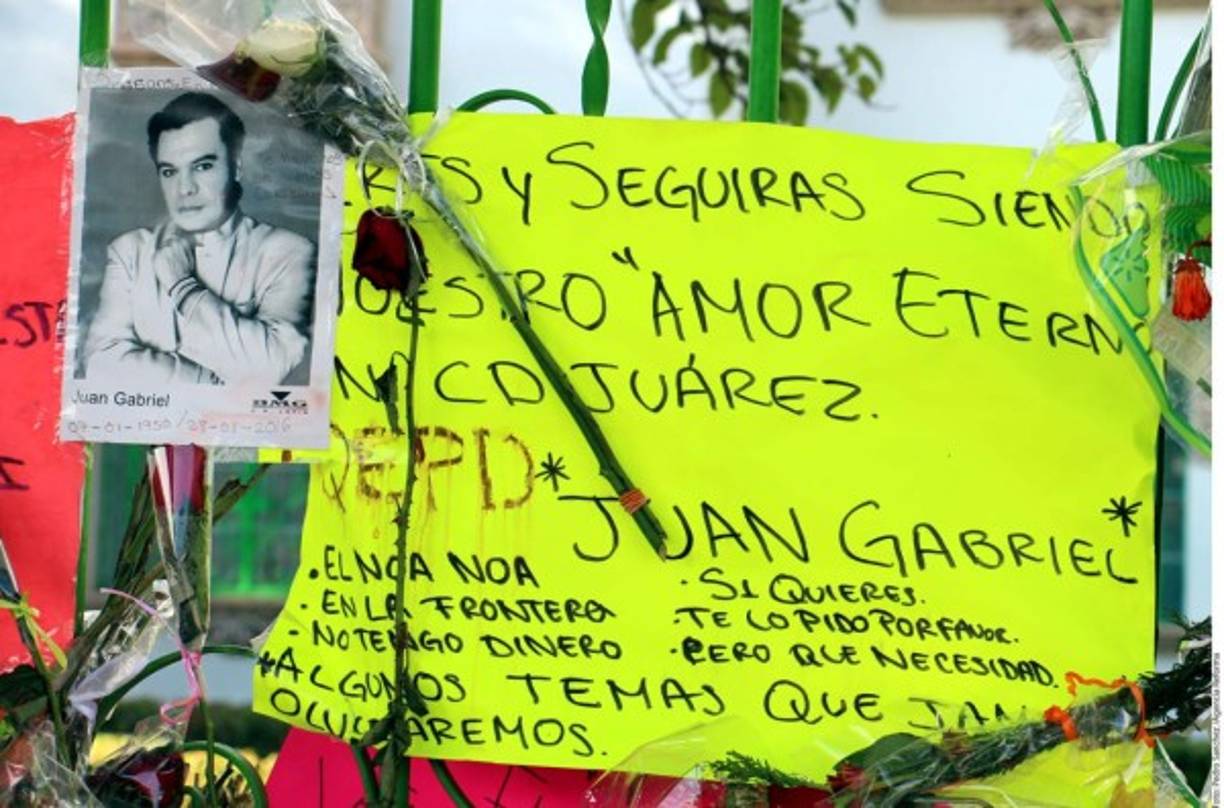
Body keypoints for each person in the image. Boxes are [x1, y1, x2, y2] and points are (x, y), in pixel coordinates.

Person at [84, 92, 316, 386]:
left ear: (237, 167)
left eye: (203, 166)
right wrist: (218, 384)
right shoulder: (130, 251)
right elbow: (100, 365)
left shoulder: (289, 252)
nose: (185, 189)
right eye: (169, 171)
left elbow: (271, 370)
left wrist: (185, 288)